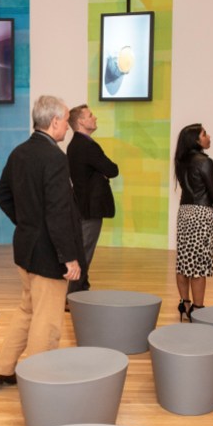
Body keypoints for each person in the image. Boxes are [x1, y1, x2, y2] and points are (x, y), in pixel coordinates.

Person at [0, 95, 82, 386]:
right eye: (66, 121)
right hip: (48, 255)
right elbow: (57, 212)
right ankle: (38, 381)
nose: (67, 127)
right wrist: (69, 257)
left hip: (26, 249)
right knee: (48, 320)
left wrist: (28, 223)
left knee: (28, 310)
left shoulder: (20, 152)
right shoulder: (55, 157)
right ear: (54, 122)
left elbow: (2, 195)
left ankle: (3, 368)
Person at [173, 123, 213, 322]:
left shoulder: (180, 161)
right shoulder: (204, 161)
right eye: (204, 134)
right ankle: (198, 309)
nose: (208, 136)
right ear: (196, 140)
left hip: (184, 212)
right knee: (198, 266)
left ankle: (184, 303)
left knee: (184, 261)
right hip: (201, 213)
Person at [66, 104, 119, 294]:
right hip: (89, 208)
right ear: (81, 121)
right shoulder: (88, 146)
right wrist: (101, 174)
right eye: (90, 115)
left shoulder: (75, 145)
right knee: (84, 252)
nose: (94, 118)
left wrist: (99, 173)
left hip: (81, 206)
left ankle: (81, 290)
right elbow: (112, 170)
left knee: (83, 249)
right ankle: (74, 295)